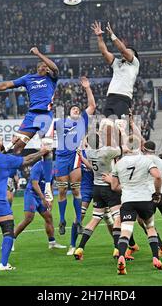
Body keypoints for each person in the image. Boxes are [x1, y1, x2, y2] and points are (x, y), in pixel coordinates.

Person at [0, 47, 58, 202]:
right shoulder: (28, 78)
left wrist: (38, 53)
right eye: (44, 65)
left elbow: (55, 68)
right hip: (32, 116)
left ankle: (48, 186)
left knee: (47, 149)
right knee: (16, 148)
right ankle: (9, 178)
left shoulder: (52, 78)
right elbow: (4, 85)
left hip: (46, 116)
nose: (48, 67)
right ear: (40, 68)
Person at [0, 135, 50, 270]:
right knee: (8, 230)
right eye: (0, 140)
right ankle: (3, 264)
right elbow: (28, 160)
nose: (2, 142)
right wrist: (42, 152)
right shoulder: (5, 159)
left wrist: (10, 144)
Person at [110, 137, 162, 275]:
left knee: (126, 231)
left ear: (127, 147)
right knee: (150, 228)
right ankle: (155, 258)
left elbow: (114, 186)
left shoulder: (119, 163)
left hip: (128, 200)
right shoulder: (146, 160)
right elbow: (158, 176)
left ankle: (121, 256)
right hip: (145, 200)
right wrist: (157, 193)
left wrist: (128, 188)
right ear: (140, 146)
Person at [54, 76, 96, 242]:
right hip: (61, 158)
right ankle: (62, 219)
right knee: (63, 190)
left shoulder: (82, 121)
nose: (76, 110)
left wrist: (87, 87)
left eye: (78, 109)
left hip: (74, 157)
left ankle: (78, 220)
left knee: (76, 189)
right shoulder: (60, 122)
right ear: (68, 113)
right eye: (74, 109)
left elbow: (92, 106)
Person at [73, 133, 123, 261]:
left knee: (95, 219)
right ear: (99, 140)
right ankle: (117, 248)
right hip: (108, 186)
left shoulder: (89, 152)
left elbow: (90, 166)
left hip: (96, 188)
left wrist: (81, 155)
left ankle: (80, 248)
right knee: (117, 217)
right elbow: (121, 149)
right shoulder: (106, 152)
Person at [91, 21, 140, 118]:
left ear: (133, 56)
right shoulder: (117, 63)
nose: (124, 54)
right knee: (106, 127)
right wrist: (99, 37)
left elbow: (123, 50)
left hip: (123, 97)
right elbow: (104, 52)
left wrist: (112, 35)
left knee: (121, 127)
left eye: (129, 52)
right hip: (110, 98)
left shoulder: (134, 64)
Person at [13, 159, 66, 250]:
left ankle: (52, 242)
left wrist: (50, 199)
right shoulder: (37, 166)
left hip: (42, 196)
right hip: (32, 194)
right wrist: (43, 198)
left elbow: (50, 184)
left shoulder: (52, 167)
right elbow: (35, 184)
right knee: (28, 218)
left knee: (48, 217)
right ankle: (10, 240)